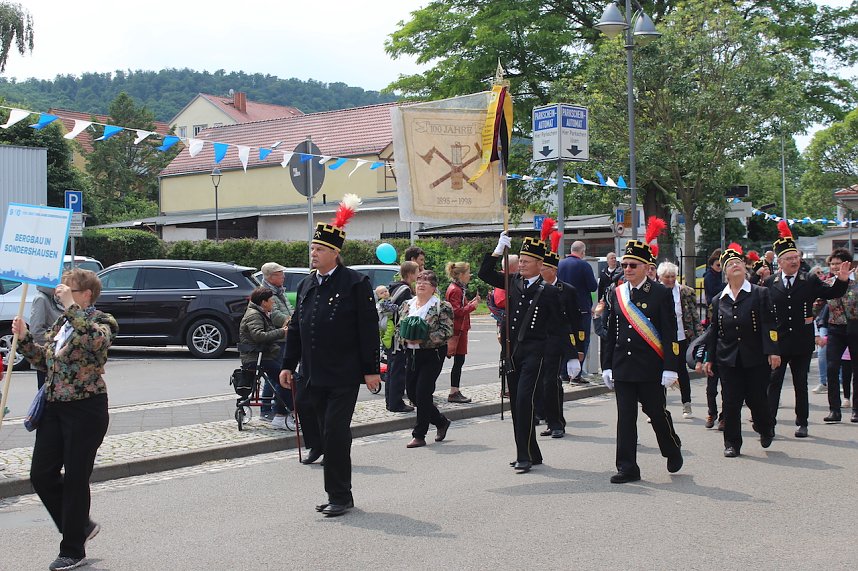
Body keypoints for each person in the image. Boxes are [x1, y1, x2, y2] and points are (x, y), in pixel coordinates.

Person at [279, 195, 381, 518]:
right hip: (313, 374)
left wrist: (370, 369)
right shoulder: (308, 284)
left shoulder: (355, 283)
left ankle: (340, 495)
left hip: (343, 374)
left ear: (335, 253)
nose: (313, 253)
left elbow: (368, 329)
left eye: (319, 249)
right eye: (312, 248)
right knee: (325, 434)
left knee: (336, 432)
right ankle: (337, 493)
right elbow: (297, 327)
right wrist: (287, 364)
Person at [13, 269, 118, 571]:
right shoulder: (64, 322)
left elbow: (94, 343)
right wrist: (23, 340)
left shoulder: (102, 321)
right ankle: (80, 526)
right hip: (55, 407)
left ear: (85, 294)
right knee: (41, 474)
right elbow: (48, 359)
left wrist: (72, 307)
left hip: (86, 409)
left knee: (75, 479)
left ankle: (72, 549)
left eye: (68, 288)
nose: (60, 291)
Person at [600, 223, 684, 484]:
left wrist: (671, 367)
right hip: (623, 365)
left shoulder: (660, 293)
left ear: (647, 268)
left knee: (656, 413)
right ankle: (627, 467)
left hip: (650, 366)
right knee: (626, 418)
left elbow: (670, 333)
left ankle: (671, 447)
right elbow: (610, 331)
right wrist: (606, 365)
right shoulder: (617, 294)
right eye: (624, 265)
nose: (626, 270)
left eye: (632, 266)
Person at [479, 232, 564, 472]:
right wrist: (497, 251)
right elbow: (484, 274)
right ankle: (531, 452)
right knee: (516, 402)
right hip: (512, 352)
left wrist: (559, 360)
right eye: (522, 260)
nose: (522, 264)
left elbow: (558, 329)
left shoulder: (549, 292)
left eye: (527, 261)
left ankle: (523, 456)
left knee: (524, 401)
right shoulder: (513, 281)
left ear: (540, 264)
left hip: (535, 353)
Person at [765, 224, 849, 438]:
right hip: (779, 343)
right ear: (780, 262)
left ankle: (802, 422)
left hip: (801, 343)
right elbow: (762, 312)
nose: (794, 261)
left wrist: (842, 279)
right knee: (773, 383)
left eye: (796, 257)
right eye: (789, 258)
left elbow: (832, 293)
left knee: (800, 383)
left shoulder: (808, 280)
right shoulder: (769, 283)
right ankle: (769, 422)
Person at [702, 245, 779, 458]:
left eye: (738, 262)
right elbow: (714, 331)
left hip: (755, 357)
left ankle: (765, 428)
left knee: (757, 400)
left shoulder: (760, 293)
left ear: (745, 268)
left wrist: (773, 351)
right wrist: (709, 358)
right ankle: (732, 443)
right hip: (728, 359)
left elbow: (769, 325)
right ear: (725, 273)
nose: (735, 265)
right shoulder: (719, 299)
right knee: (730, 402)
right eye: (729, 264)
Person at [400, 270, 454, 448]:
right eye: (419, 281)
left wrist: (424, 339)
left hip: (432, 354)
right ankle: (440, 421)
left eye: (427, 282)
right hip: (411, 353)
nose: (421, 284)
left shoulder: (441, 306)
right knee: (413, 394)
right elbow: (399, 328)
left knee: (423, 392)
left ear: (433, 288)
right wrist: (405, 339)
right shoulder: (408, 305)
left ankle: (419, 435)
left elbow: (447, 331)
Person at [538, 229, 581, 438]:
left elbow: (575, 321)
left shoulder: (568, 290)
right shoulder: (535, 288)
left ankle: (556, 423)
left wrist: (577, 351)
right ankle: (545, 418)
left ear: (553, 270)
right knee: (540, 382)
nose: (540, 271)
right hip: (536, 342)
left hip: (558, 341)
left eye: (543, 267)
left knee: (551, 382)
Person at [238, 287, 291, 429]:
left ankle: (279, 413)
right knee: (287, 380)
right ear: (263, 302)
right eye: (271, 300)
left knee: (280, 380)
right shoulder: (254, 315)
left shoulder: (259, 312)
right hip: (257, 358)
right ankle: (281, 415)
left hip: (261, 356)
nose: (273, 302)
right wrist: (281, 332)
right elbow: (258, 336)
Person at [657, 261, 703, 419]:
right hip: (660, 339)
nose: (670, 280)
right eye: (666, 277)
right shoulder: (655, 292)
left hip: (680, 337)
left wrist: (698, 338)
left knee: (681, 371)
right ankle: (658, 408)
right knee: (659, 372)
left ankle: (687, 404)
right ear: (660, 277)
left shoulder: (685, 292)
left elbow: (694, 316)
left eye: (672, 276)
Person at [819, 248, 858, 424]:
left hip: (855, 329)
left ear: (848, 264)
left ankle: (856, 409)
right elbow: (816, 306)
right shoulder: (827, 284)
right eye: (832, 263)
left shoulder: (856, 283)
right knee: (832, 368)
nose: (834, 266)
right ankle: (834, 410)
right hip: (835, 329)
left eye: (838, 263)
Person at [557, 240, 597, 382]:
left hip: (562, 308)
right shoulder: (584, 265)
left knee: (565, 340)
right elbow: (593, 286)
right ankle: (576, 373)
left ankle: (563, 372)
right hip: (581, 309)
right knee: (582, 341)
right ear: (583, 252)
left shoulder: (559, 263)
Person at [258, 262, 294, 421]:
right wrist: (292, 322)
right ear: (270, 277)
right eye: (280, 274)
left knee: (276, 375)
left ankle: (268, 408)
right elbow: (275, 315)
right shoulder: (266, 294)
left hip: (285, 336)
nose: (284, 276)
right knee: (276, 375)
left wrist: (295, 319)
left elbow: (288, 309)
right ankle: (267, 409)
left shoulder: (279, 291)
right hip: (276, 338)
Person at [385, 261, 419, 412]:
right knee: (398, 370)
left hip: (389, 333)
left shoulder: (393, 287)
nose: (419, 275)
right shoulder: (404, 290)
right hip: (398, 335)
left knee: (392, 369)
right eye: (417, 272)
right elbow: (404, 312)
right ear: (410, 274)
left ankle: (390, 402)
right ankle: (396, 403)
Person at [444, 261, 479, 403]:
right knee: (458, 361)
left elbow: (458, 307)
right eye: (467, 273)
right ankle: (454, 391)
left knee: (459, 360)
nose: (469, 275)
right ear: (461, 275)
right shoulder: (456, 290)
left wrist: (470, 303)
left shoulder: (457, 288)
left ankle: (455, 390)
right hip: (457, 330)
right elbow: (456, 311)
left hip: (459, 329)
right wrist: (472, 307)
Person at [29, 285, 65, 389]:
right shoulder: (41, 299)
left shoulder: (53, 298)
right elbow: (36, 330)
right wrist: (56, 343)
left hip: (55, 357)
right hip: (46, 357)